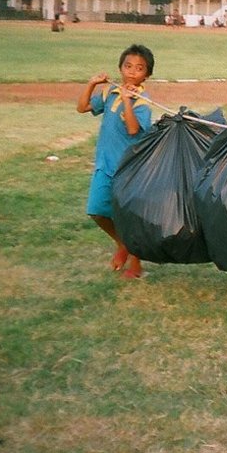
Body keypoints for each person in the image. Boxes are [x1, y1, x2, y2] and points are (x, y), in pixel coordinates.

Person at [76, 44, 155, 279]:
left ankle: (136, 264)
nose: (132, 72)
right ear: (120, 68)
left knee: (128, 216)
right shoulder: (110, 93)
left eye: (139, 68)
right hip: (105, 163)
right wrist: (92, 84)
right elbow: (82, 107)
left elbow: (132, 129)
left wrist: (128, 100)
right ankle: (124, 245)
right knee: (97, 211)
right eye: (128, 66)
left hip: (128, 168)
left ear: (147, 74)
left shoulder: (143, 101)